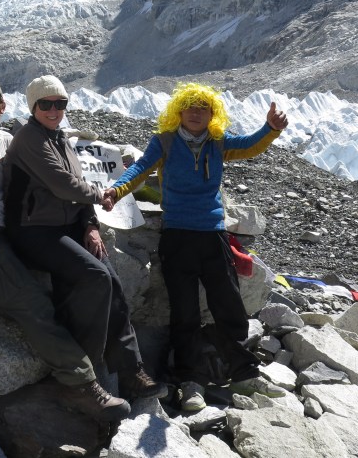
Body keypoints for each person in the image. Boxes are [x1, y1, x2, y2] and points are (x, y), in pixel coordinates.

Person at [0, 78, 131, 422]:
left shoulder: (10, 141)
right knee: (27, 297)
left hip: (9, 232)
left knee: (85, 279)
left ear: (3, 107)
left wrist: (87, 222)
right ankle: (80, 385)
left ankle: (85, 363)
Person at [103, 82, 288, 412]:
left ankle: (243, 372)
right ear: (179, 111)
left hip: (212, 235)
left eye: (203, 108)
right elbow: (140, 168)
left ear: (212, 114)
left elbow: (250, 145)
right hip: (177, 236)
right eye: (190, 107)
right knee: (184, 311)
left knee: (229, 305)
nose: (195, 113)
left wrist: (270, 128)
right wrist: (115, 191)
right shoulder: (165, 141)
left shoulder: (218, 143)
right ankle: (191, 381)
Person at [2, 75, 166, 403]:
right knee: (95, 277)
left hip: (67, 227)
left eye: (59, 103)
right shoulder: (29, 139)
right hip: (32, 230)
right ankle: (86, 373)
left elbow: (76, 183)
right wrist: (100, 195)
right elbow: (64, 185)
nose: (53, 109)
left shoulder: (61, 139)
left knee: (113, 283)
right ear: (33, 107)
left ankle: (130, 369)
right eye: (45, 104)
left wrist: (90, 224)